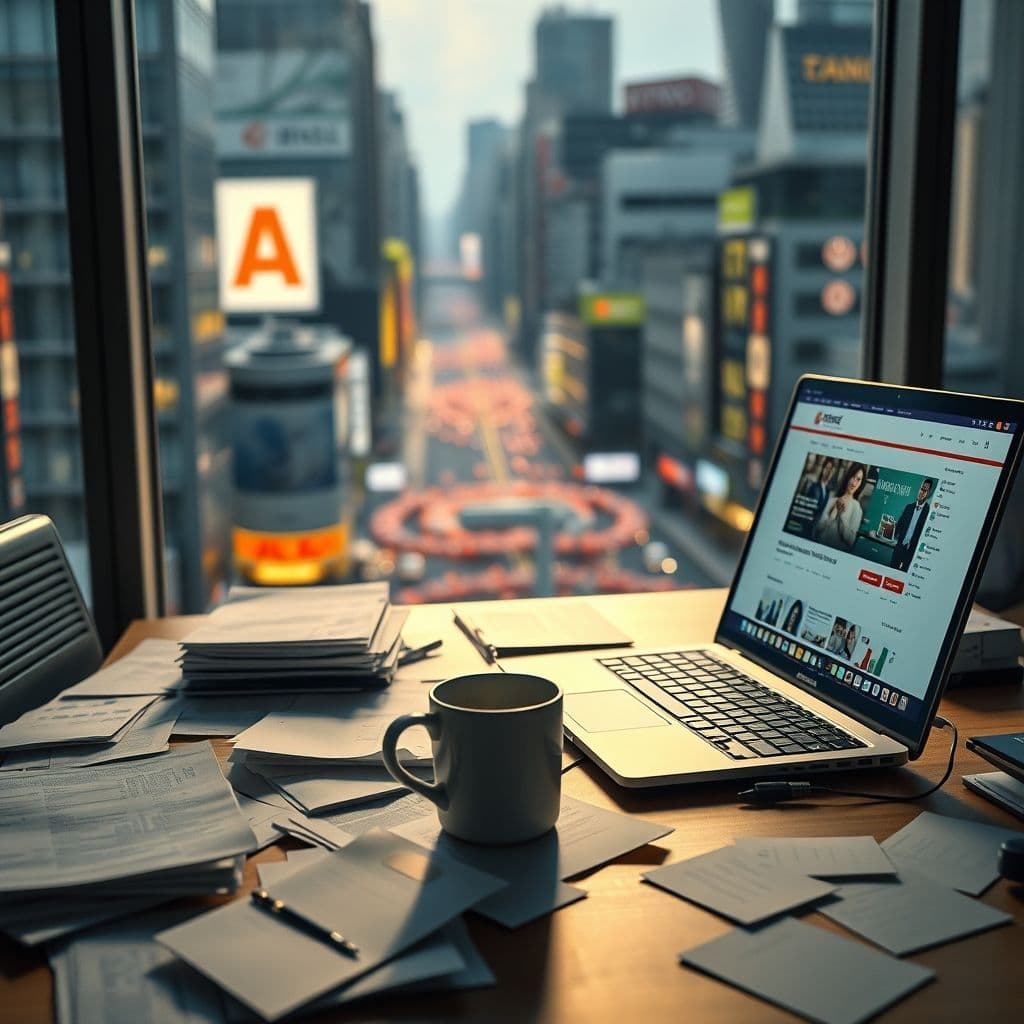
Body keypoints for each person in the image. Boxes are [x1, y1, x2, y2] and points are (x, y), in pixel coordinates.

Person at [813, 463, 866, 550]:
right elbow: (817, 530)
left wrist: (842, 516)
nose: (854, 483)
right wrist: (833, 514)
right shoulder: (832, 500)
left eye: (858, 479)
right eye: (853, 476)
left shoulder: (857, 508)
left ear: (861, 483)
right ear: (848, 477)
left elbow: (850, 541)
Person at [892, 478, 934, 571]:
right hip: (899, 548)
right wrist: (888, 531)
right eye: (921, 489)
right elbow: (899, 526)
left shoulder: (929, 513)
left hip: (913, 552)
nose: (921, 492)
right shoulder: (909, 507)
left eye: (925, 490)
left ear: (929, 493)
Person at [800, 456, 837, 527]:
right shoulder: (814, 486)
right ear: (823, 469)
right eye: (827, 468)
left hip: (814, 526)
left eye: (831, 471)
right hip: (805, 523)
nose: (829, 472)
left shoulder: (828, 492)